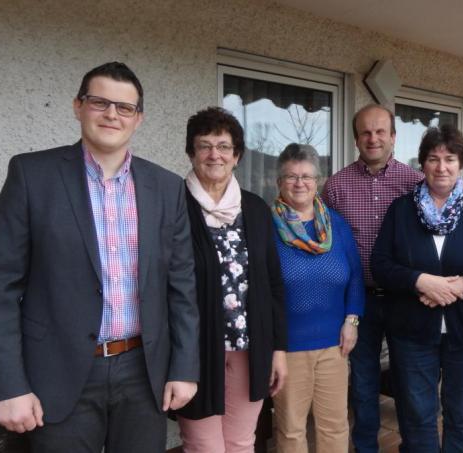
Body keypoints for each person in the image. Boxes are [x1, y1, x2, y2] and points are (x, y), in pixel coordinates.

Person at [0, 62, 199, 452]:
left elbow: (182, 286)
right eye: (100, 102)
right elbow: (0, 287)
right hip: (57, 374)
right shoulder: (32, 175)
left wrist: (184, 368)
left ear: (138, 119)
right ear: (78, 106)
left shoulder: (167, 187)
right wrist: (9, 385)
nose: (112, 114)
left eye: (125, 107)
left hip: (143, 373)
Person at [371, 124, 463, 452]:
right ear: (423, 164)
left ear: (460, 163)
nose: (442, 167)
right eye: (433, 159)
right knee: (417, 416)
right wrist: (420, 281)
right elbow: (380, 264)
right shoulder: (402, 209)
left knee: (460, 416)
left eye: (450, 159)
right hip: (412, 333)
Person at [174, 107, 287, 452]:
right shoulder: (174, 205)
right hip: (194, 352)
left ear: (236, 156)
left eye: (224, 146)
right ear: (191, 152)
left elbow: (273, 283)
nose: (215, 155)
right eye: (204, 145)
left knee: (241, 443)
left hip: (250, 350)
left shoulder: (255, 208)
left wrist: (278, 349)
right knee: (203, 446)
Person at [321, 103, 422, 452]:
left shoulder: (414, 184)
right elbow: (327, 244)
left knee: (409, 380)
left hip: (404, 299)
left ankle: (413, 446)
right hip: (357, 301)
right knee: (363, 382)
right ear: (356, 139)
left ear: (393, 136)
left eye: (380, 131)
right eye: (365, 132)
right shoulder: (336, 186)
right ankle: (366, 448)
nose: (373, 138)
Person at [270, 143, 365, 452]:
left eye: (307, 176)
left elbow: (355, 277)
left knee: (335, 425)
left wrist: (352, 321)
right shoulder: (267, 228)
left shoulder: (337, 225)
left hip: (334, 345)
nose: (300, 183)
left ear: (318, 181)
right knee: (291, 430)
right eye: (291, 176)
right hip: (287, 348)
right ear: (279, 182)